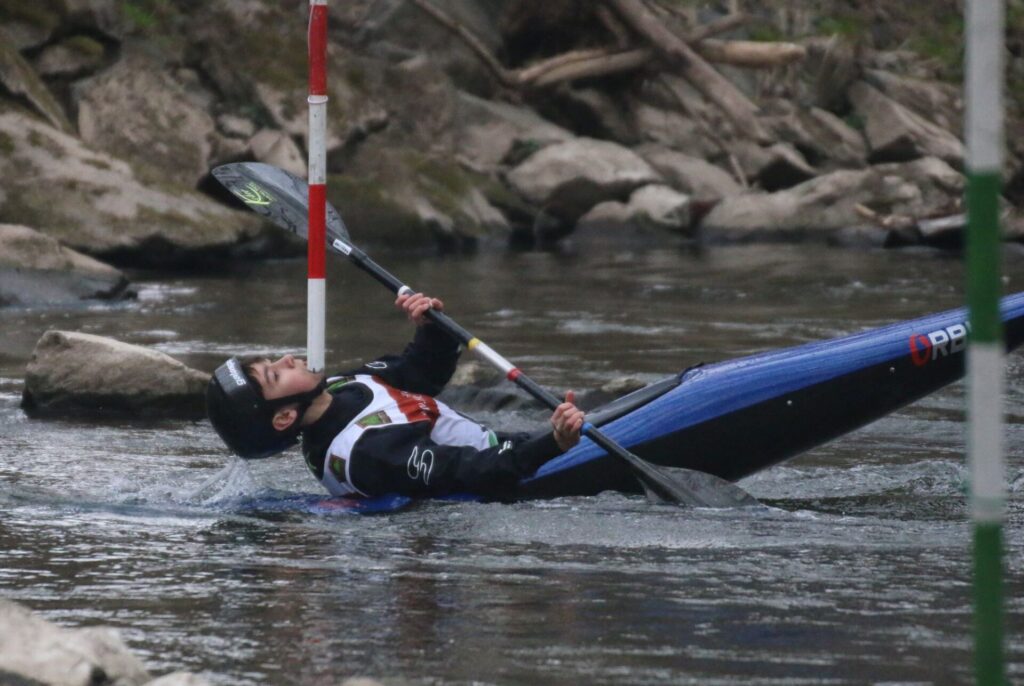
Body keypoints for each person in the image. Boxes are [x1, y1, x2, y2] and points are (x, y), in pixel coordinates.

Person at [206, 292, 585, 499]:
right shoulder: (365, 451)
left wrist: (431, 327)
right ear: (284, 417)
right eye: (276, 373)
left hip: (514, 451)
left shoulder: (342, 386)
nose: (288, 359)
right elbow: (470, 472)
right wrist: (554, 443)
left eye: (274, 360)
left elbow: (421, 372)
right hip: (517, 477)